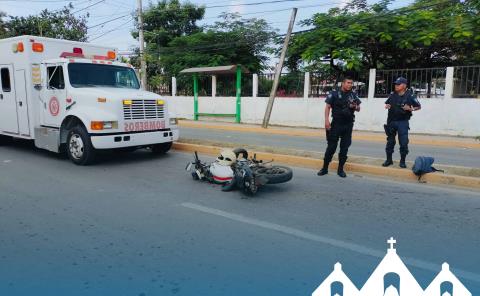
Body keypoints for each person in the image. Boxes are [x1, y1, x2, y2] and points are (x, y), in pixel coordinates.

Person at [317, 76, 361, 178]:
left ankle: (340, 169)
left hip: (348, 124)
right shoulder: (334, 93)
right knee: (331, 147)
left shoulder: (353, 95)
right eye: (348, 83)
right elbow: (327, 107)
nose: (350, 85)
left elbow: (358, 108)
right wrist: (326, 120)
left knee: (344, 148)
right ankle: (324, 168)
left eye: (351, 83)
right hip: (336, 123)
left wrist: (354, 106)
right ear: (343, 83)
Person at [382, 77, 421, 168]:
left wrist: (410, 108)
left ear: (404, 85)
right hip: (391, 121)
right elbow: (388, 104)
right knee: (390, 142)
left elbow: (418, 106)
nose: (396, 86)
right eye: (395, 84)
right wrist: (387, 106)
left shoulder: (410, 96)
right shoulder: (392, 94)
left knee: (403, 143)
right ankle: (389, 160)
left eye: (398, 84)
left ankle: (402, 161)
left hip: (402, 122)